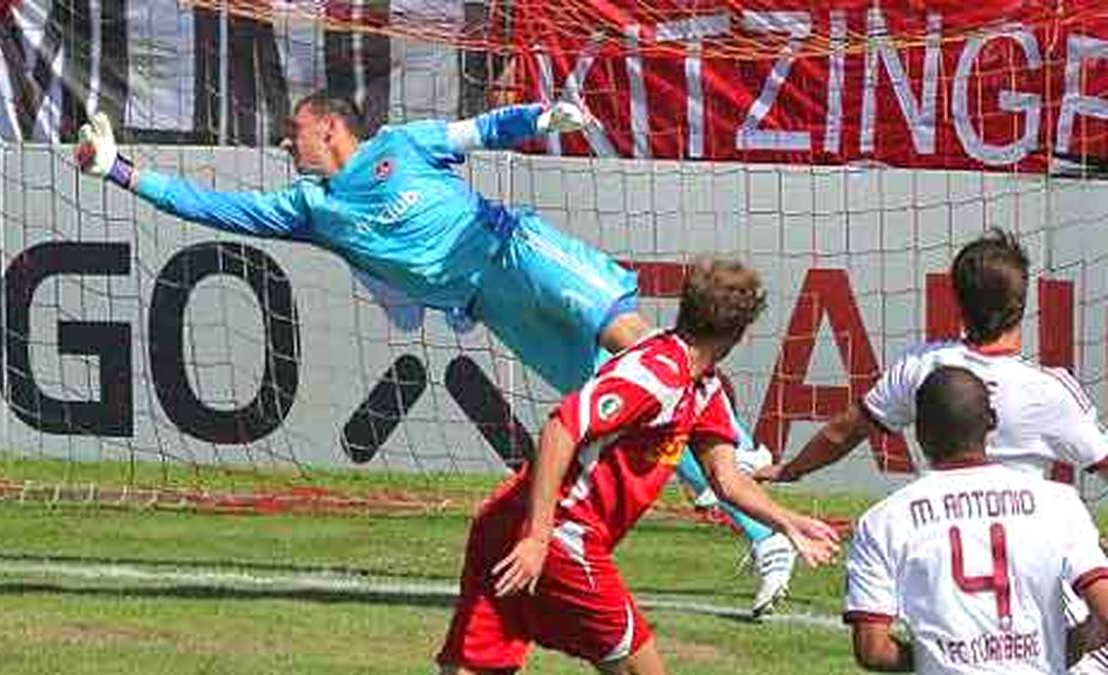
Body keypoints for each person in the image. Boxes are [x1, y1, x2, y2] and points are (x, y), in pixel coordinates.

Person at [76, 95, 798, 615]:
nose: (286, 144)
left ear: (330, 127)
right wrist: (117, 168)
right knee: (632, 413)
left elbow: (482, 128)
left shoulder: (401, 144)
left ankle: (737, 446)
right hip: (494, 306)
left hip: (520, 251)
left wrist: (543, 117)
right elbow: (210, 206)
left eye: (294, 132)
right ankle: (766, 535)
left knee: (639, 346)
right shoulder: (311, 208)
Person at [436, 258, 839, 674]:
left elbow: (726, 478)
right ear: (739, 333)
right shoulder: (655, 374)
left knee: (477, 666)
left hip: (511, 521)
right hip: (561, 533)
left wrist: (787, 522)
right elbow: (562, 427)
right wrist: (538, 537)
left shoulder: (703, 387)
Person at [758, 228, 1108, 670]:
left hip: (942, 552)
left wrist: (792, 469)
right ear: (1022, 306)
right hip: (1034, 567)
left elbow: (844, 431)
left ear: (958, 303)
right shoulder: (1051, 392)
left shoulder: (923, 367)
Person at [844, 366, 1108, 674]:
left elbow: (873, 651)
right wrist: (1069, 645)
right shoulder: (1059, 502)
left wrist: (937, 660)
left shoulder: (881, 521)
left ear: (918, 432)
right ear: (992, 422)